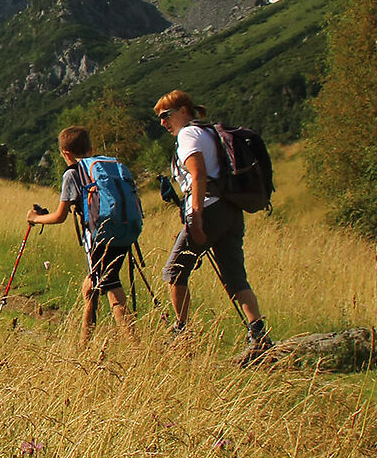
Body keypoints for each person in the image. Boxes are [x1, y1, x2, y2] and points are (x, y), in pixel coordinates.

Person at [155, 89, 272, 362]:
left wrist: (195, 217)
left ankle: (182, 334)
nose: (163, 123)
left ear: (184, 110)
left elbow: (198, 176)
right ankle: (259, 335)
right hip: (231, 209)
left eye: (165, 116)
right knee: (234, 275)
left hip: (209, 209)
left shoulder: (187, 135)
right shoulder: (208, 132)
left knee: (174, 272)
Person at [25, 126, 139, 347]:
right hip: (122, 232)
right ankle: (84, 345)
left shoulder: (72, 174)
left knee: (111, 288)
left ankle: (136, 347)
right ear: (90, 148)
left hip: (98, 237)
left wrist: (35, 219)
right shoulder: (106, 167)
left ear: (65, 153)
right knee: (91, 287)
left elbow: (60, 216)